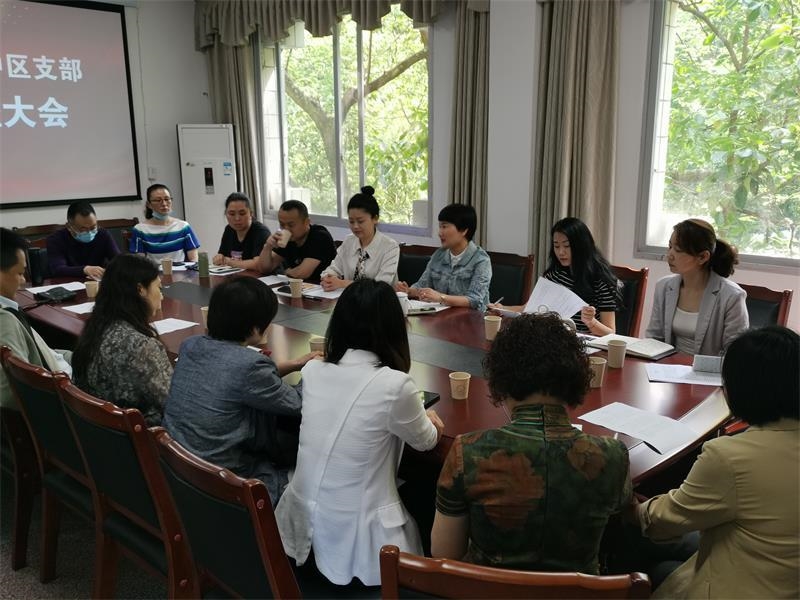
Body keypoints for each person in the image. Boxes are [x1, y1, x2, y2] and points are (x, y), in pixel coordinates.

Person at [431, 313, 631, 573]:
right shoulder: (612, 456)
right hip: (578, 590)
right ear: (576, 378)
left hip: (488, 589)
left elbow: (445, 553)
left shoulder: (468, 452)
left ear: (501, 379)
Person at [276, 279, 444, 586]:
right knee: (426, 494)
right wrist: (430, 420)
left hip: (298, 532)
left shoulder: (313, 371)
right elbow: (425, 441)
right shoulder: (395, 385)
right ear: (395, 329)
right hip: (360, 547)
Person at [631, 326, 799, 599]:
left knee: (649, 560)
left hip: (747, 588)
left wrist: (634, 508)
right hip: (784, 578)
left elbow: (664, 521)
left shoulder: (731, 456)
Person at [163, 277, 319, 504]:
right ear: (255, 328)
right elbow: (298, 403)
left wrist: (295, 363)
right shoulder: (249, 366)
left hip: (178, 467)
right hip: (224, 480)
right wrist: (316, 370)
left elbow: (231, 375)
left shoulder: (191, 345)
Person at [71, 254, 171, 426]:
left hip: (97, 430)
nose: (161, 296)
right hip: (141, 434)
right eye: (158, 288)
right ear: (140, 290)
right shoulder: (142, 346)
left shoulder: (95, 328)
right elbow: (172, 403)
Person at [490, 217, 619, 334]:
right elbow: (528, 308)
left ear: (581, 246)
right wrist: (501, 308)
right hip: (553, 339)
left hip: (585, 343)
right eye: (556, 246)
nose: (561, 252)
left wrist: (591, 322)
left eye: (567, 246)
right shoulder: (555, 275)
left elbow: (610, 332)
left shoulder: (601, 280)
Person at [645, 219, 748, 355]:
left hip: (708, 368)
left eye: (678, 250)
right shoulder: (664, 286)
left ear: (703, 257)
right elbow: (654, 338)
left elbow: (734, 353)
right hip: (666, 366)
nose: (669, 255)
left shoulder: (732, 296)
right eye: (670, 247)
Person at [0, 228, 72, 409]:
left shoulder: (8, 309)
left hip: (59, 372)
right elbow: (10, 393)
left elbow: (42, 351)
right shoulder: (5, 320)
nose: (23, 281)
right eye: (19, 273)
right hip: (63, 399)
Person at [395, 204, 491, 311]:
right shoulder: (439, 255)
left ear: (464, 230)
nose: (440, 233)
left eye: (444, 227)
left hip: (471, 318)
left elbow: (475, 300)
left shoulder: (481, 260)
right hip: (442, 316)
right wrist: (408, 291)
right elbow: (422, 285)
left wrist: (441, 297)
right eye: (440, 227)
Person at [320, 186, 399, 290]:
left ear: (375, 218)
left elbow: (380, 285)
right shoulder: (349, 241)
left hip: (380, 299)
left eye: (360, 221)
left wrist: (342, 283)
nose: (355, 226)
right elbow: (333, 269)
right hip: (349, 298)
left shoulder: (390, 247)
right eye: (351, 221)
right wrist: (328, 279)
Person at [257, 200, 336, 282]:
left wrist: (286, 272)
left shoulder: (320, 236)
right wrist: (267, 247)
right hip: (299, 286)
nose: (286, 229)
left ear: (307, 222)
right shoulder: (289, 239)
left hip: (323, 286)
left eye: (291, 225)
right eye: (282, 224)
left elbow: (302, 273)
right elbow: (264, 269)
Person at [46, 200, 120, 279]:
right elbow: (58, 269)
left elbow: (119, 261)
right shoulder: (56, 240)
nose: (89, 232)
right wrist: (85, 269)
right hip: (68, 283)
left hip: (97, 283)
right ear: (69, 227)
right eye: (83, 229)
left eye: (93, 227)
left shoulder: (103, 234)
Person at [129, 183, 200, 262]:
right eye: (158, 200)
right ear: (149, 205)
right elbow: (139, 261)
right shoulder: (140, 229)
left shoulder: (183, 226)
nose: (164, 204)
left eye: (167, 199)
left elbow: (194, 259)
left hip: (180, 269)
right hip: (154, 269)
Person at [212, 192, 271, 271]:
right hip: (238, 275)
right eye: (232, 214)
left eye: (242, 213)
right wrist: (219, 258)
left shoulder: (261, 232)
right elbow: (222, 254)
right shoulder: (229, 229)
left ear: (251, 213)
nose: (237, 218)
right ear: (226, 214)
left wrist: (230, 262)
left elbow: (259, 264)